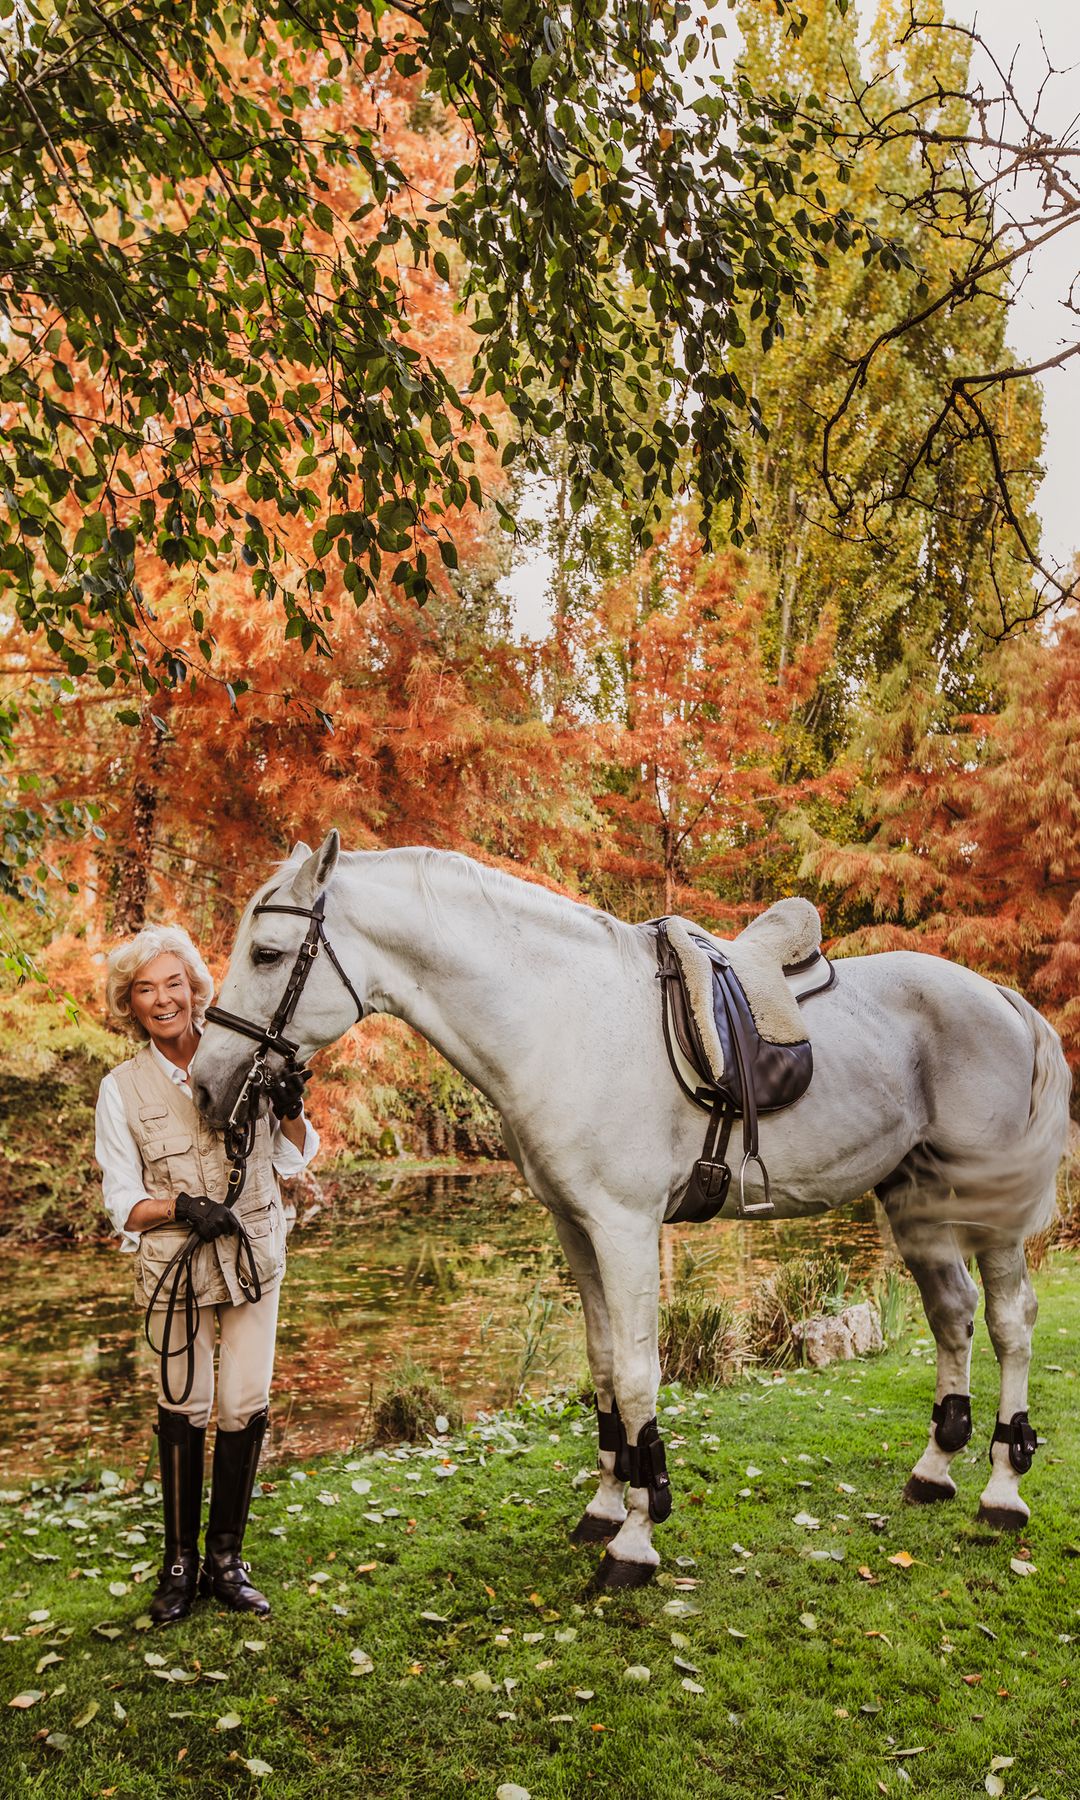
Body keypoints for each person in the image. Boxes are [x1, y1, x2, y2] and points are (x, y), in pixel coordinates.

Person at [94, 922, 319, 1625]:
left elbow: (290, 1160)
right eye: (144, 990)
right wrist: (181, 1207)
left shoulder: (244, 1058)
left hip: (253, 1257)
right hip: (174, 1266)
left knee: (243, 1405)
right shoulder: (119, 1089)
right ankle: (178, 1569)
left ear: (195, 989)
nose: (163, 1000)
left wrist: (289, 1109)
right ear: (128, 1005)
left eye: (172, 983)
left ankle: (226, 1561)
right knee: (184, 1408)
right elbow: (123, 1204)